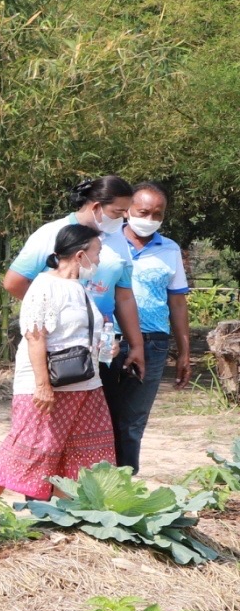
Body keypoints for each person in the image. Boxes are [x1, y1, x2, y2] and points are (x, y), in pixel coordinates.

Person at [0, 223, 116, 498]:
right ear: (81, 255)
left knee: (79, 449)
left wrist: (107, 348)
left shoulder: (81, 288)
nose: (100, 259)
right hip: (48, 384)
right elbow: (35, 337)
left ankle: (61, 511)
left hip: (85, 383)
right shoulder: (44, 286)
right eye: (98, 252)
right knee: (29, 445)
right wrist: (42, 385)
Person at [4, 176, 145, 399]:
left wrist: (136, 345)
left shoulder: (118, 240)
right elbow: (14, 282)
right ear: (97, 206)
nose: (124, 218)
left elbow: (124, 296)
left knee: (99, 422)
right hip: (57, 348)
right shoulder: (51, 233)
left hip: (102, 346)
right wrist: (54, 315)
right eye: (118, 212)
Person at [107, 183, 192, 471]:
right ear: (128, 209)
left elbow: (178, 303)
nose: (150, 219)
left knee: (133, 419)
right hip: (108, 340)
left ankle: (124, 483)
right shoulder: (105, 242)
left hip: (153, 342)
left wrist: (183, 352)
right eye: (144, 212)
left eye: (158, 214)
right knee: (100, 414)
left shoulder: (169, 249)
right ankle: (91, 485)